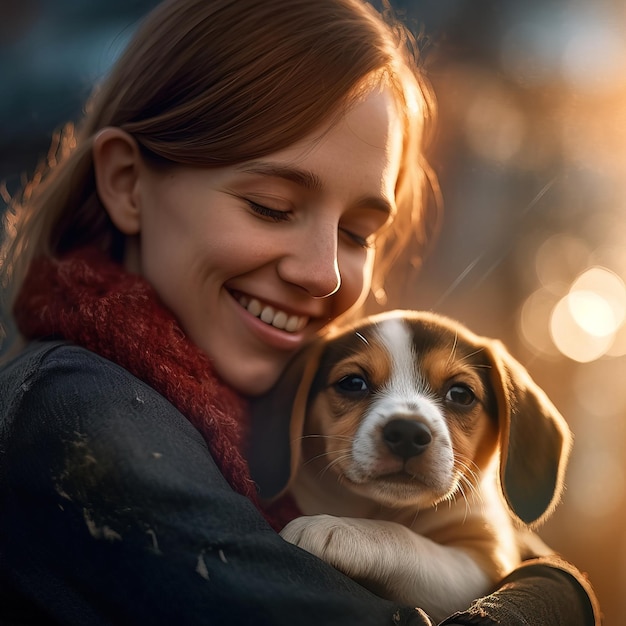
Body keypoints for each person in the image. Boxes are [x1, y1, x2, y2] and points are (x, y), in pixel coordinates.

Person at [0, 0, 600, 624]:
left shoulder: (282, 394)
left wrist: (548, 582)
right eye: (269, 206)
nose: (324, 274)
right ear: (128, 183)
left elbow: (500, 552)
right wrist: (556, 595)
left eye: (357, 233)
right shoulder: (82, 410)